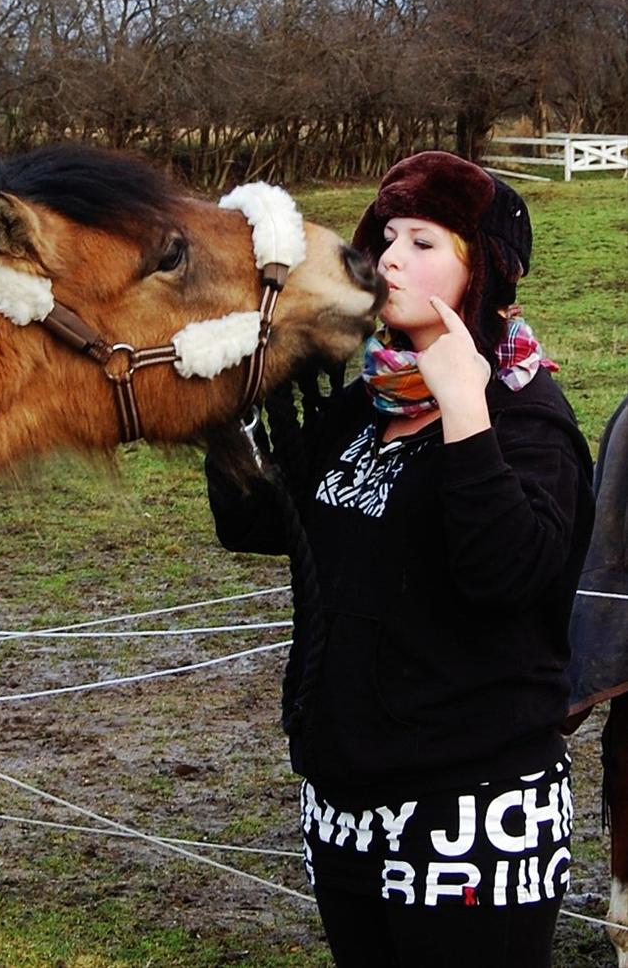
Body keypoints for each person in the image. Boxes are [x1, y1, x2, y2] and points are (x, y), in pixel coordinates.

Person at [205, 151, 596, 967]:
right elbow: (259, 521)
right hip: (349, 802)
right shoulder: (363, 404)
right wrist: (229, 402)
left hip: (474, 816)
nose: (389, 258)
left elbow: (507, 575)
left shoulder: (529, 420)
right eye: (386, 237)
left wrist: (463, 406)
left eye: (423, 242)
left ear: (482, 272)